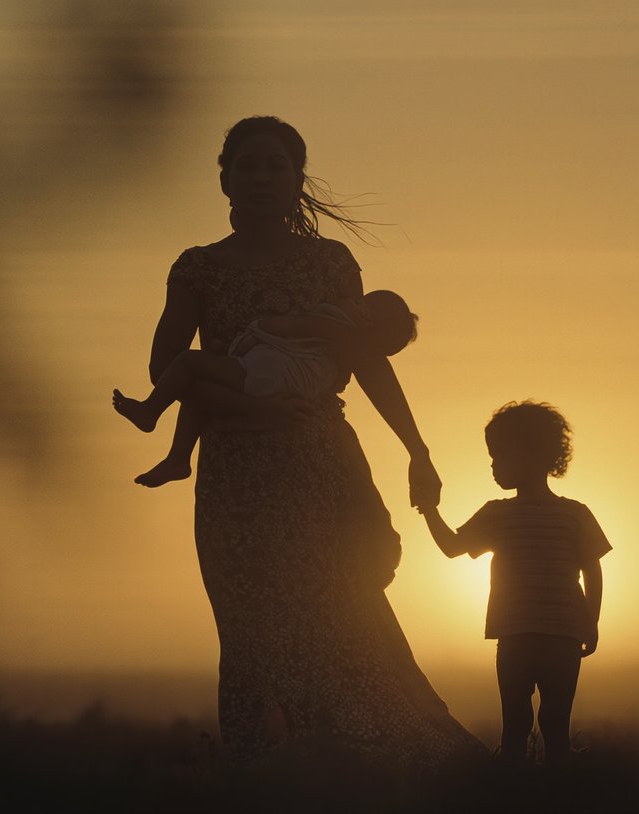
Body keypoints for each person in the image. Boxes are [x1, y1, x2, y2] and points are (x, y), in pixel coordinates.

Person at [144, 115, 482, 771]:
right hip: (235, 469)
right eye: (249, 166)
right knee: (247, 624)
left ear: (299, 179)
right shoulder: (197, 268)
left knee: (341, 610)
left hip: (319, 463)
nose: (262, 178)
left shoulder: (330, 264)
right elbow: (166, 371)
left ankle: (364, 764)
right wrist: (250, 407)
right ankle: (263, 771)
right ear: (225, 181)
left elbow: (368, 363)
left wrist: (419, 449)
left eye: (277, 166)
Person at [419, 401, 610, 767]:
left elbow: (592, 570)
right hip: (528, 635)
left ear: (534, 454)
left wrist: (591, 621)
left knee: (550, 724)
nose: (493, 465)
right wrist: (429, 509)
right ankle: (525, 790)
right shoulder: (502, 514)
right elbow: (452, 547)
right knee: (519, 725)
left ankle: (542, 790)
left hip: (550, 635)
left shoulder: (573, 514)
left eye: (499, 456)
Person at [112, 290, 418, 487]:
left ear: (368, 319)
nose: (350, 300)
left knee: (190, 363)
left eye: (360, 303)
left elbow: (288, 328)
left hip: (271, 376)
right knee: (198, 393)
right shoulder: (340, 331)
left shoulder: (337, 327)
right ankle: (178, 459)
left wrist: (260, 328)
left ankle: (151, 411)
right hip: (274, 375)